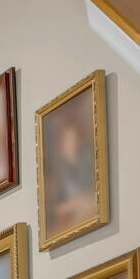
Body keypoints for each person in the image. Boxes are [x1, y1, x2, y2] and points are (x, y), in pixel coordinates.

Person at [46, 101, 97, 238]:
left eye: (72, 138)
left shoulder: (87, 157)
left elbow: (93, 195)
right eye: (66, 139)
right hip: (74, 213)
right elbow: (57, 208)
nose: (69, 143)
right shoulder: (62, 169)